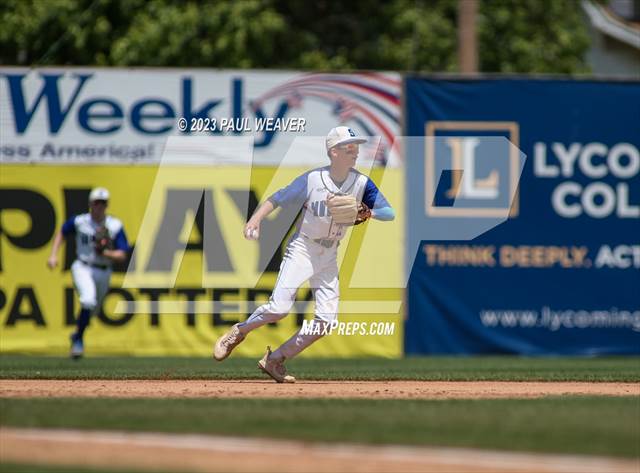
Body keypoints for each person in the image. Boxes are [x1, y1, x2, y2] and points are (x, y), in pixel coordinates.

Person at [214, 127, 395, 382]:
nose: (355, 152)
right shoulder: (312, 180)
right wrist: (254, 220)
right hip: (303, 248)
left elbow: (390, 212)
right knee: (279, 308)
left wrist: (370, 212)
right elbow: (277, 198)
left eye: (356, 147)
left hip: (329, 254)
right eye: (349, 147)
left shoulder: (362, 183)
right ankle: (238, 332)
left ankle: (275, 359)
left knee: (327, 321)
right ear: (334, 152)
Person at [47, 187, 129, 359]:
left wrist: (106, 253)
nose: (100, 206)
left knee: (93, 310)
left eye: (103, 203)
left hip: (104, 270)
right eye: (97, 203)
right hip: (83, 266)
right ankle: (78, 342)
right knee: (88, 300)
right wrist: (53, 255)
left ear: (107, 205)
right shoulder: (80, 221)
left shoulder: (114, 225)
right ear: (91, 204)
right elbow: (62, 232)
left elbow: (122, 254)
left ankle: (77, 334)